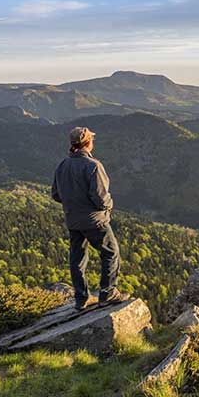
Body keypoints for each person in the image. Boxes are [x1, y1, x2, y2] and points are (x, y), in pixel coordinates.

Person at [51, 126, 128, 310]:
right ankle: (107, 294)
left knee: (77, 258)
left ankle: (80, 299)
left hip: (73, 220)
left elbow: (55, 194)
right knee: (110, 252)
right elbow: (101, 198)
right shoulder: (93, 166)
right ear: (88, 143)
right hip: (94, 221)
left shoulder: (62, 165)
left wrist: (73, 202)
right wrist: (109, 205)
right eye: (92, 139)